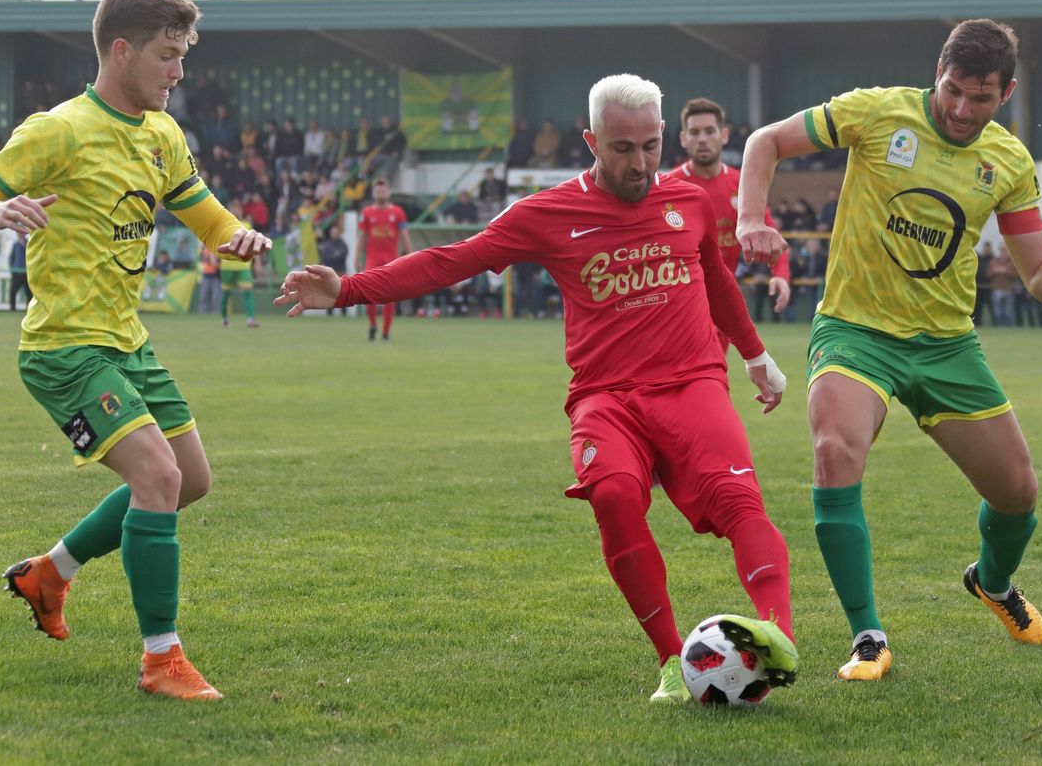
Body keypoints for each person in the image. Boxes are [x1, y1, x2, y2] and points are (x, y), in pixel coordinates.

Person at [276, 74, 800, 703]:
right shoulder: (547, 213)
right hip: (606, 397)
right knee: (611, 497)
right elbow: (454, 258)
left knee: (740, 501)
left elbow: (715, 280)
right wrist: (349, 290)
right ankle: (671, 662)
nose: (640, 163)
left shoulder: (687, 199)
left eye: (651, 146)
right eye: (622, 148)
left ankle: (776, 636)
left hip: (691, 383)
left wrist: (755, 354)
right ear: (591, 142)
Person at [734, 19, 1042, 680]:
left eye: (982, 99)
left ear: (1008, 93)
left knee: (1018, 495)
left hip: (946, 346)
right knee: (834, 452)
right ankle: (867, 636)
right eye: (953, 92)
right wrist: (750, 218)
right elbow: (765, 142)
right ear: (937, 74)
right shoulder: (876, 112)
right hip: (856, 333)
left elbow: (1040, 279)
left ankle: (993, 584)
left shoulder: (1008, 162)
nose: (963, 110)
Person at [0, 0, 271, 700]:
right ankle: (162, 659)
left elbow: (203, 214)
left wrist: (234, 235)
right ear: (121, 50)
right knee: (157, 478)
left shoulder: (161, 134)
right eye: (167, 55)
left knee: (192, 481)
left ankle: (49, 573)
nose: (178, 73)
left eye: (182, 56)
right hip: (65, 348)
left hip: (128, 343)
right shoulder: (58, 130)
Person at [669, 97, 792, 318]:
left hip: (723, 302)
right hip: (681, 305)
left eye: (709, 131)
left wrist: (780, 275)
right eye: (695, 133)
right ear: (683, 139)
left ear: (724, 135)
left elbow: (769, 233)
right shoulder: (669, 188)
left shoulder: (743, 184)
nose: (702, 139)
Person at [356, 176, 411, 341]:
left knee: (390, 297)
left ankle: (386, 332)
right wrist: (357, 257)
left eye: (383, 189)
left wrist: (410, 255)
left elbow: (404, 234)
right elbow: (362, 237)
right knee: (368, 295)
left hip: (391, 261)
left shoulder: (397, 212)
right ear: (373, 193)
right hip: (372, 260)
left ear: (388, 192)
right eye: (378, 189)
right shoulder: (366, 213)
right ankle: (373, 324)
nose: (381, 192)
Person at [219, 201, 260, 328]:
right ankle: (224, 319)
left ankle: (250, 320)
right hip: (227, 265)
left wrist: (257, 263)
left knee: (247, 291)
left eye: (238, 209)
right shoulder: (223, 224)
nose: (236, 212)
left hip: (244, 265)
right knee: (226, 294)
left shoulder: (247, 225)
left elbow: (254, 244)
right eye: (233, 209)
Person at [9, 231, 31, 311]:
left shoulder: (28, 243)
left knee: (29, 293)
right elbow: (12, 258)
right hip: (17, 273)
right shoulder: (15, 245)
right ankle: (12, 308)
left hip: (26, 272)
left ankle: (29, 309)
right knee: (13, 291)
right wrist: (12, 269)